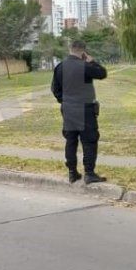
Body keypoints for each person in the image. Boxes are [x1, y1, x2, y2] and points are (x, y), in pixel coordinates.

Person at [51, 40, 107, 183]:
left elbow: (55, 89)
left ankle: (72, 172)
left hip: (68, 109)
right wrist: (92, 61)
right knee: (89, 141)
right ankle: (89, 173)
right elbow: (102, 73)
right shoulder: (85, 66)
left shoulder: (60, 67)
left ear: (70, 49)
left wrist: (64, 101)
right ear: (83, 52)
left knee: (71, 140)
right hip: (85, 109)